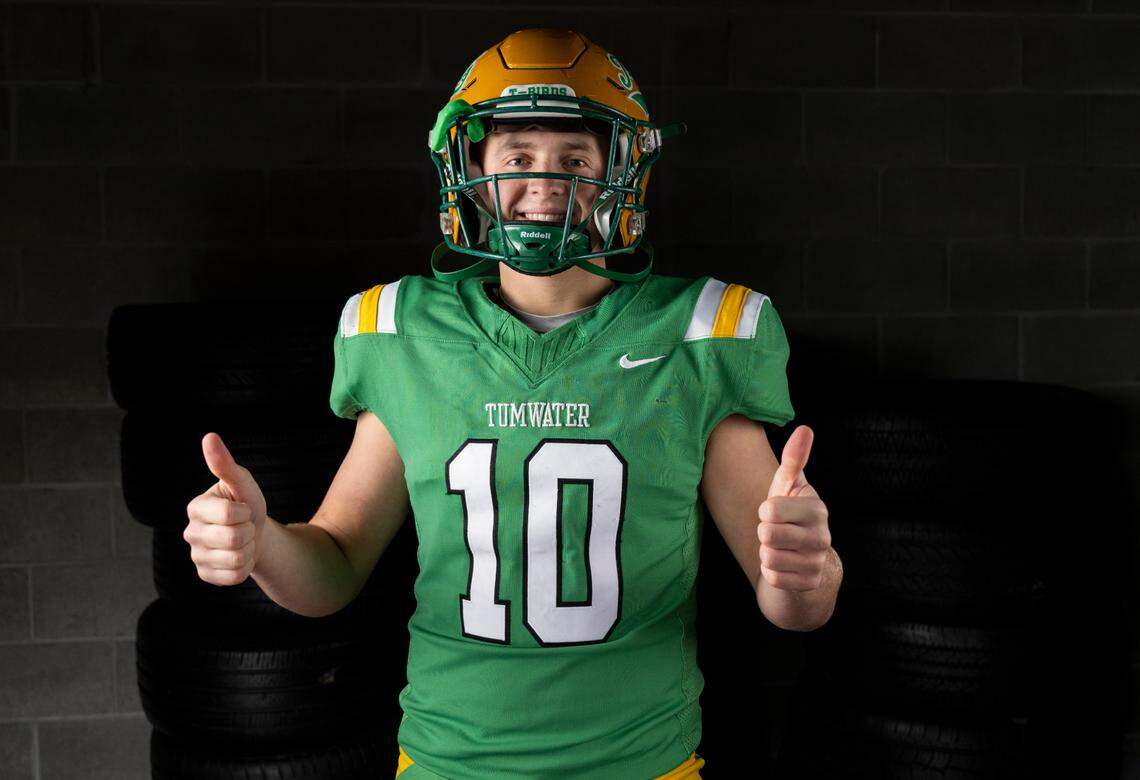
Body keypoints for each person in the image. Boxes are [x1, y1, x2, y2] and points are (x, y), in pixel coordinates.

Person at [184, 28, 840, 779]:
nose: (543, 181)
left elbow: (796, 602)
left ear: (621, 170)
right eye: (518, 157)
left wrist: (805, 570)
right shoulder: (404, 333)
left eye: (575, 160)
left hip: (642, 766)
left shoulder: (699, 336)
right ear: (470, 167)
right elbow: (333, 568)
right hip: (447, 764)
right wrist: (262, 544)